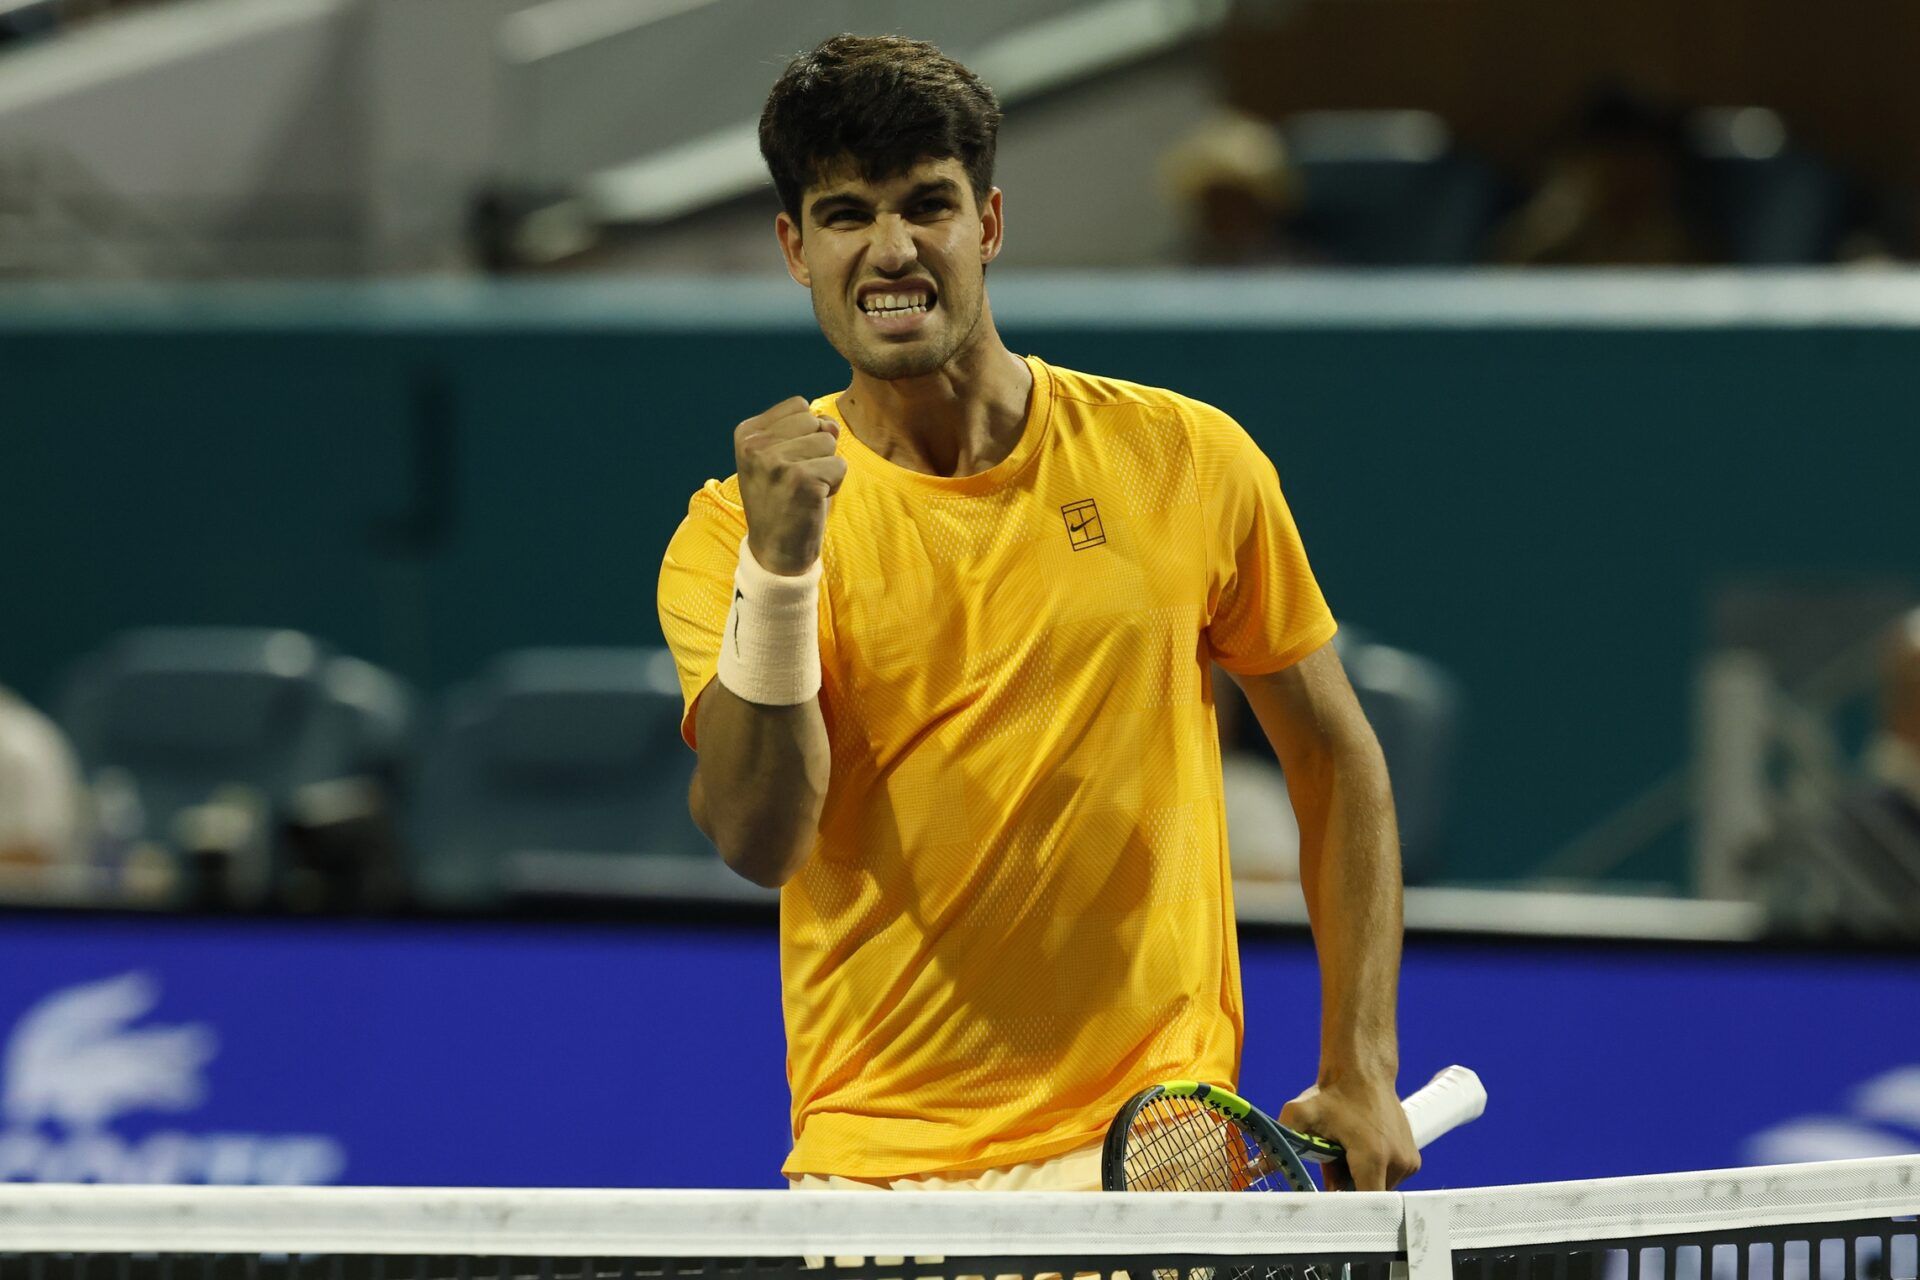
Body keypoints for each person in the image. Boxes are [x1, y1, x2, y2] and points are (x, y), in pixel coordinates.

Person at [656, 34, 1415, 1193]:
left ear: (990, 224)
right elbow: (761, 839)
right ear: (794, 248)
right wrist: (783, 567)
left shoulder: (1185, 458)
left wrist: (1359, 1057)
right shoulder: (732, 537)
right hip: (882, 1182)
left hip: (1151, 1159)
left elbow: (1334, 754)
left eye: (929, 206)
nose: (893, 249)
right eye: (848, 213)